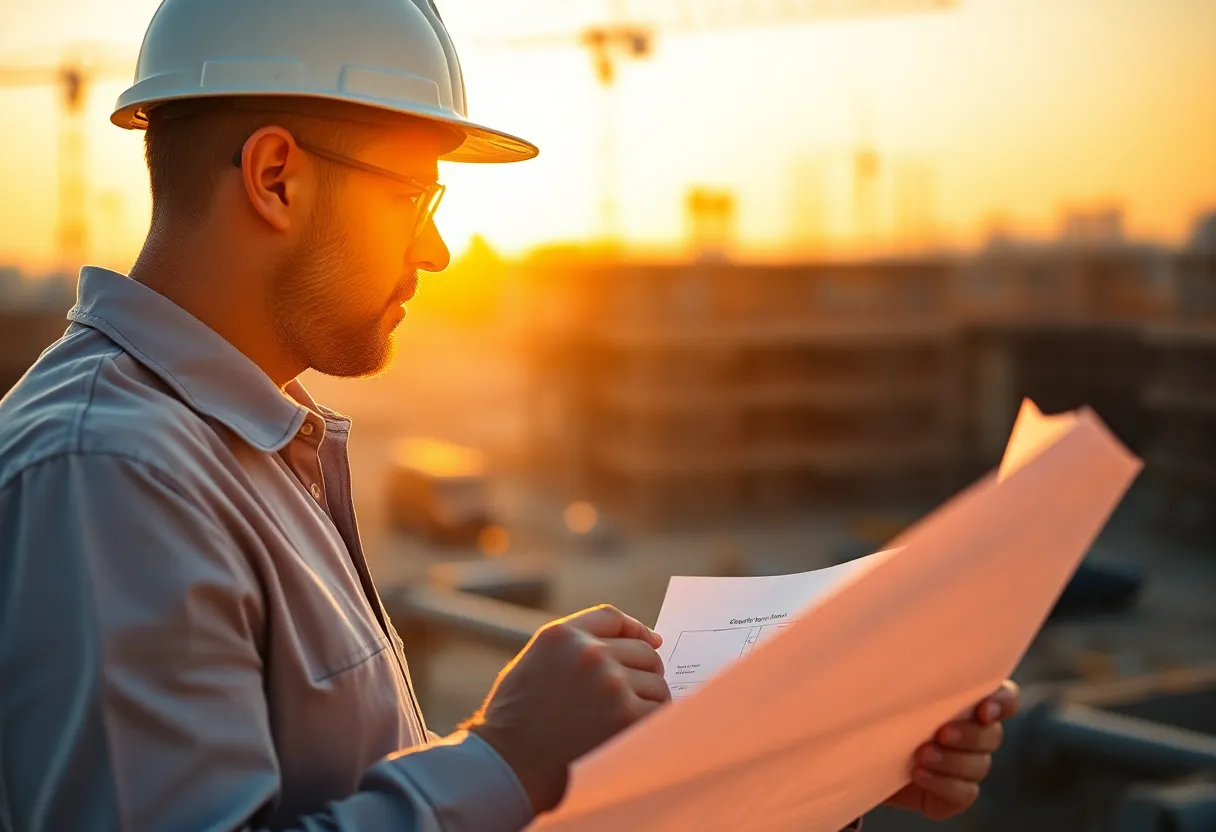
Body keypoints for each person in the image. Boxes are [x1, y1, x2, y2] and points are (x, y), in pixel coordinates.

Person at [0, 0, 1020, 829]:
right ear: (276, 178)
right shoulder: (111, 471)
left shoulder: (244, 449)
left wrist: (799, 767)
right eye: (416, 197)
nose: (436, 252)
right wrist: (503, 757)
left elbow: (343, 797)